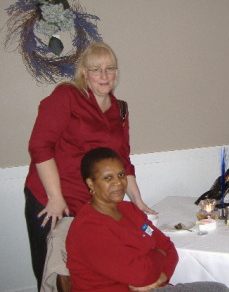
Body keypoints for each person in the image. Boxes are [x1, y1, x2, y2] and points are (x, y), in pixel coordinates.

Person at [24, 42, 153, 289]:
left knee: (87, 274)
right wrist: (55, 198)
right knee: (52, 271)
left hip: (91, 205)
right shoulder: (67, 96)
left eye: (110, 68)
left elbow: (122, 160)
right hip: (51, 200)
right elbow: (40, 147)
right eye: (96, 70)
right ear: (84, 72)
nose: (104, 76)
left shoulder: (120, 109)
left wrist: (138, 202)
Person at [66, 147, 229, 292]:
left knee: (218, 288)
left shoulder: (129, 210)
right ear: (91, 184)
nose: (118, 182)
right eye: (108, 178)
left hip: (155, 286)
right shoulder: (89, 228)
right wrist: (158, 253)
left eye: (121, 175)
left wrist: (159, 278)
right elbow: (140, 275)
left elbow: (169, 248)